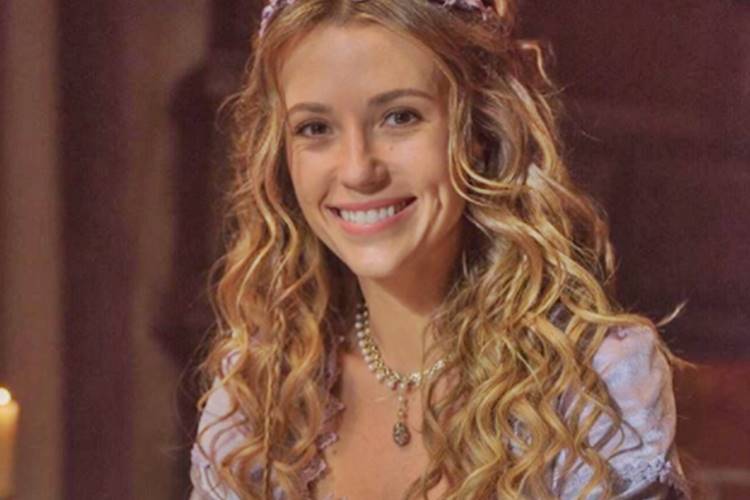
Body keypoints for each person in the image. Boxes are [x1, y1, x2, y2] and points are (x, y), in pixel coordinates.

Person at [189, 0, 690, 498]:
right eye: (315, 128)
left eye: (399, 117)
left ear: (477, 130)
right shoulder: (256, 393)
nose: (358, 170)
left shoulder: (592, 385)